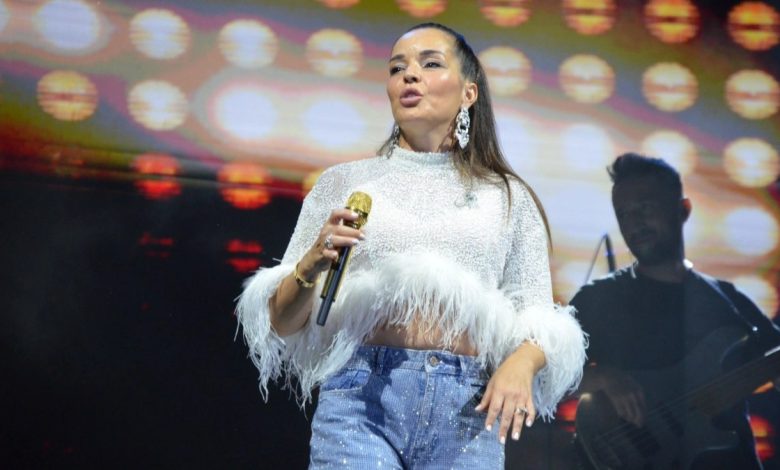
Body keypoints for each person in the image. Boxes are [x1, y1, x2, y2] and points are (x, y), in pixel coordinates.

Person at [236, 22, 586, 469]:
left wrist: (521, 363)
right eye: (396, 68)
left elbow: (540, 322)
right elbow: (282, 322)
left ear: (469, 93)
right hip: (361, 402)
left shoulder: (507, 197)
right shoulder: (346, 183)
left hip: (468, 410)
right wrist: (311, 263)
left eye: (430, 63)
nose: (409, 75)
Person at [571, 153, 780, 470]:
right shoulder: (598, 299)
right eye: (624, 214)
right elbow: (542, 377)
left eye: (645, 208)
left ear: (683, 210)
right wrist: (602, 378)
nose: (634, 222)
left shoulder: (729, 300)